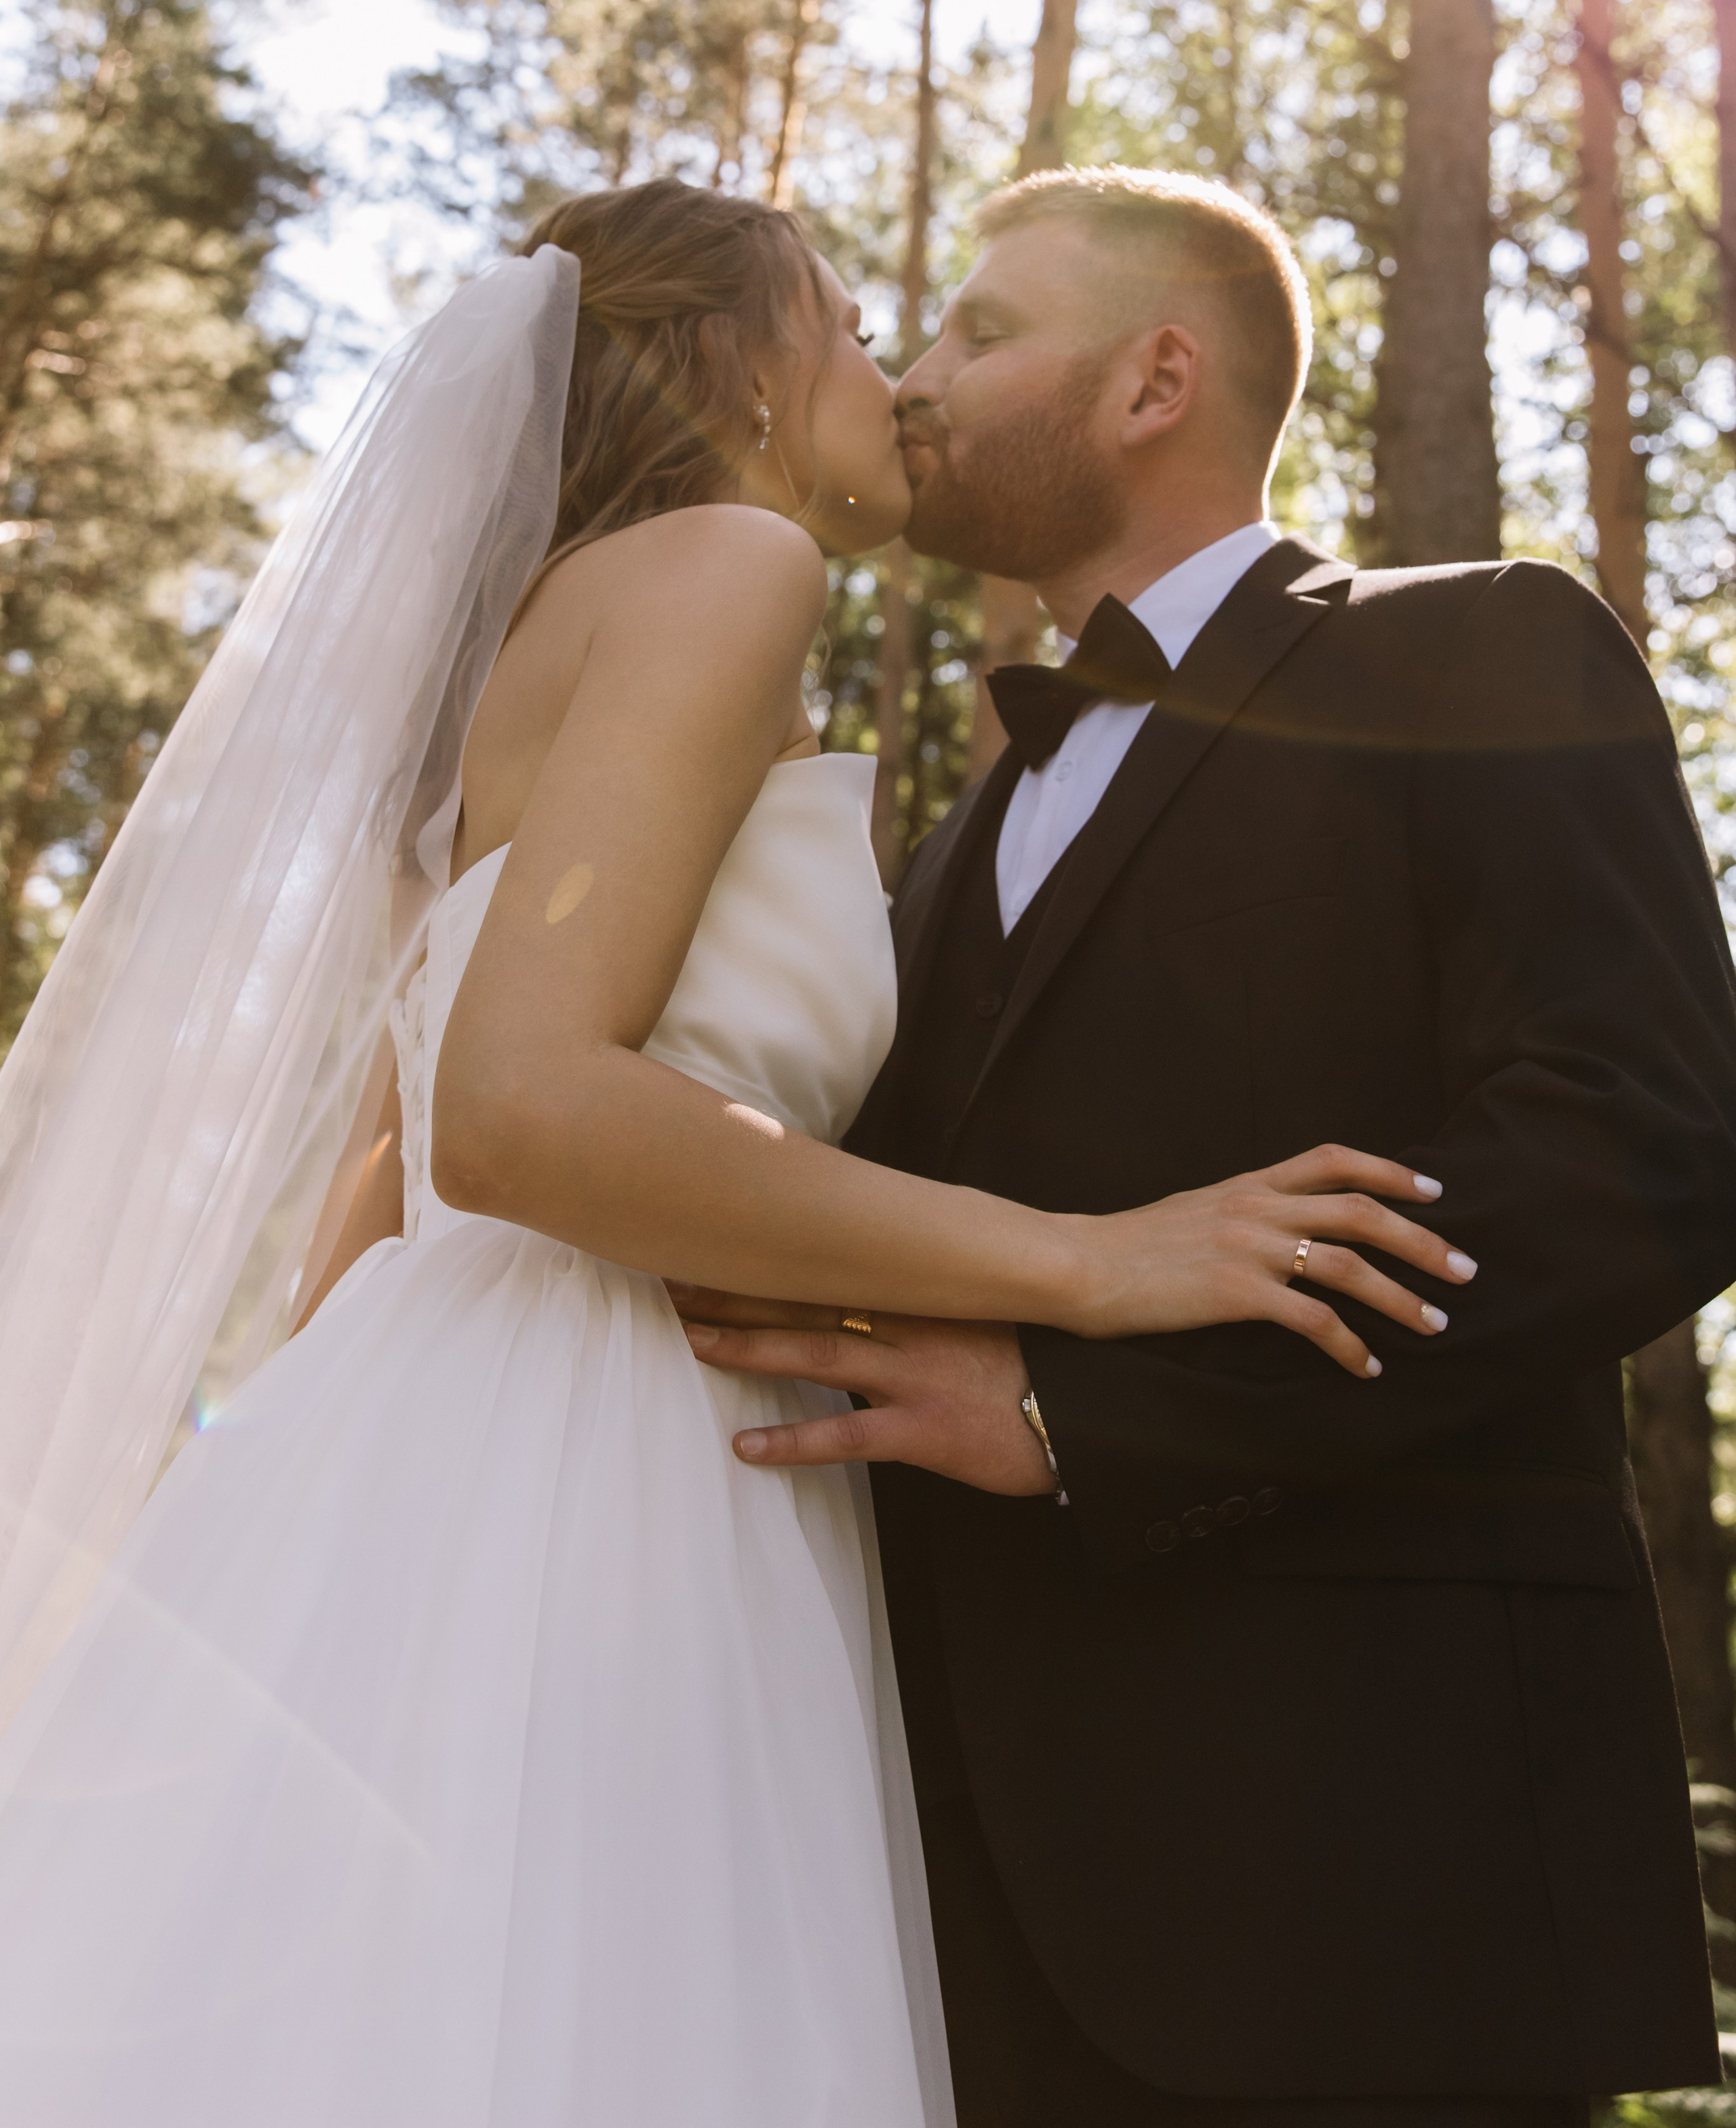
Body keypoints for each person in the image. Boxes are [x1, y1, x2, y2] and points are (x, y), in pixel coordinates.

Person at [0, 178, 1463, 2125]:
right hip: (625, 1431)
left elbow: (366, 1207)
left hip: (417, 1419)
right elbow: (514, 1110)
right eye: (862, 326)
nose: (903, 380)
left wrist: (342, 1519)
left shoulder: (498, 677)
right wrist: (1087, 1261)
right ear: (740, 376)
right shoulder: (729, 567)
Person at [677, 166, 1736, 2128]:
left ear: (1156, 379)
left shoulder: (1479, 650)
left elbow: (1645, 1142)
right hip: (946, 1899)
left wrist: (1092, 1415)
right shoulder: (929, 866)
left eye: (983, 330)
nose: (915, 377)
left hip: (1365, 1878)